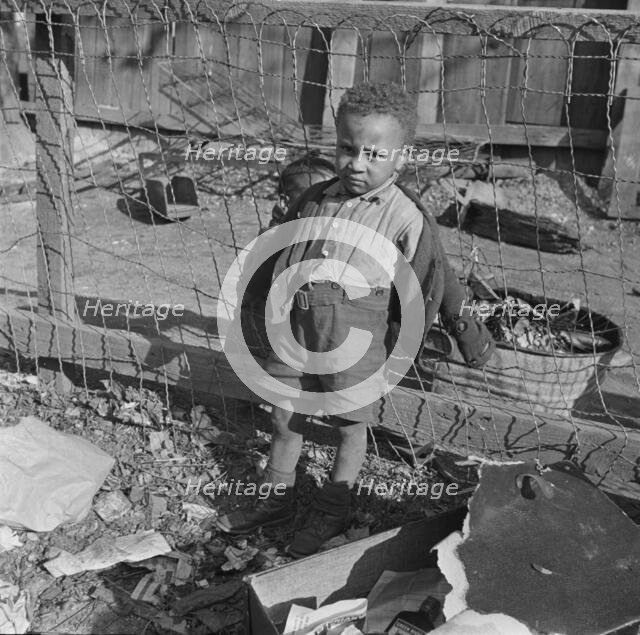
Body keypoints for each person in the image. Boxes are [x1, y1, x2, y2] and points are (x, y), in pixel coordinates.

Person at [217, 82, 494, 557]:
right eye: (347, 148)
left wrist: (467, 333)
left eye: (374, 153)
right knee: (284, 414)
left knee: (349, 425)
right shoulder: (314, 197)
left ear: (400, 158)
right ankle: (277, 494)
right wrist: (253, 302)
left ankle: (334, 505)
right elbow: (276, 249)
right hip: (297, 330)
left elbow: (438, 276)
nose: (357, 163)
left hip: (357, 337)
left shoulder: (405, 217)